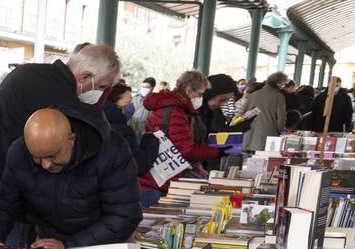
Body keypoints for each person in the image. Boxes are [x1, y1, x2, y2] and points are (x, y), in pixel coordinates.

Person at [0, 44, 121, 234]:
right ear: (85, 77)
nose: (100, 94)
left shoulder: (28, 72)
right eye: (101, 87)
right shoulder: (61, 98)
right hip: (1, 202)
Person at [0, 105, 141, 249]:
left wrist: (70, 246)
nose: (46, 165)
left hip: (101, 247)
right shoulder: (19, 152)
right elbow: (4, 205)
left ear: (71, 139)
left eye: (52, 156)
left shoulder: (111, 152)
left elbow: (124, 216)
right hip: (50, 246)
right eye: (37, 158)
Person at [138, 70, 223, 203]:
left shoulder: (170, 105)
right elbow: (186, 149)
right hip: (157, 180)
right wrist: (217, 152)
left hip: (154, 177)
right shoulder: (175, 111)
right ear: (189, 89)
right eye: (200, 94)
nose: (200, 98)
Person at [104, 83, 158, 179]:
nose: (131, 102)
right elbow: (139, 164)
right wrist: (150, 139)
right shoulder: (121, 128)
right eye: (129, 99)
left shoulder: (99, 118)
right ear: (117, 100)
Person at [241, 71, 289, 152]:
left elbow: (244, 114)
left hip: (248, 135)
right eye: (283, 84)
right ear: (278, 83)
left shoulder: (252, 94)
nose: (283, 86)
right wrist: (279, 131)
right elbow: (281, 118)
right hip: (267, 135)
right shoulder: (279, 96)